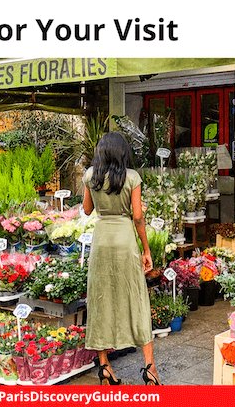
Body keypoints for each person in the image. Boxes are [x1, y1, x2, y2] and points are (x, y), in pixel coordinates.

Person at [82, 131, 160, 385]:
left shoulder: (89, 175)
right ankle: (150, 368)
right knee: (136, 298)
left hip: (102, 240)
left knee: (100, 299)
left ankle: (105, 367)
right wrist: (146, 249)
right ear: (123, 152)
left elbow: (86, 210)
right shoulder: (132, 177)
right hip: (125, 240)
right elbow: (138, 217)